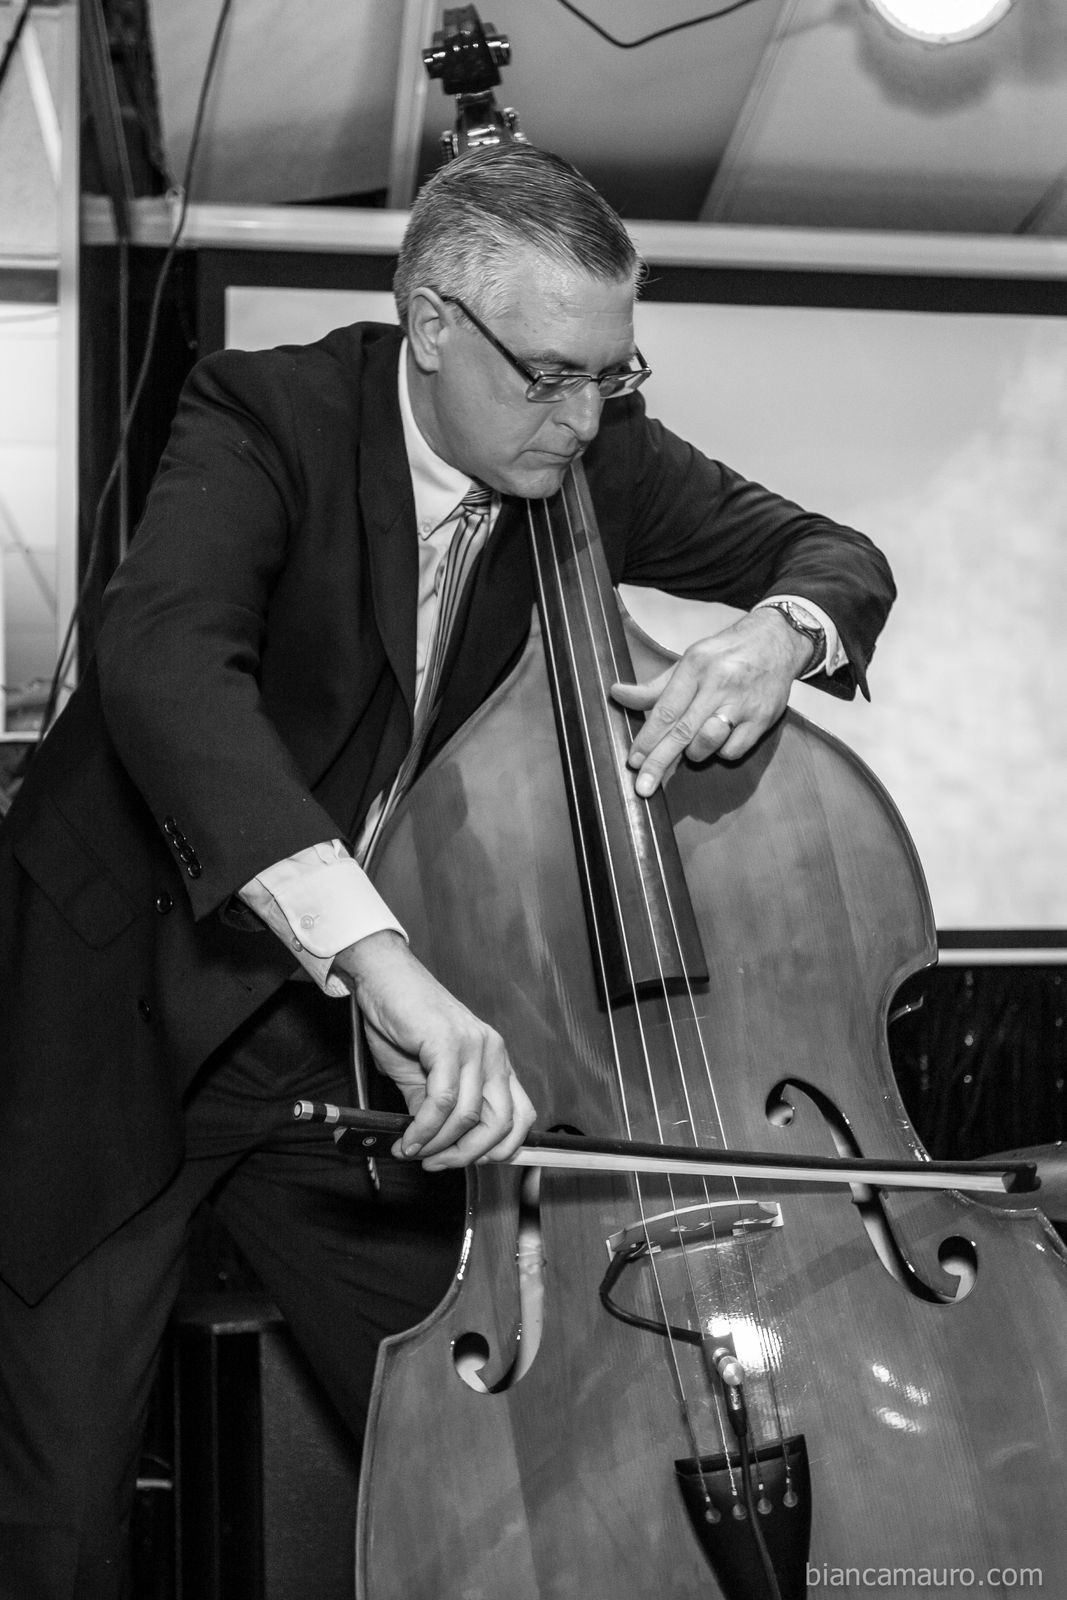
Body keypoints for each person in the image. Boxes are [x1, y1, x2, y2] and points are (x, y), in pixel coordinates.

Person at [0, 143, 895, 1599]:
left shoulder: (594, 456)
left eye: (612, 373)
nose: (583, 416)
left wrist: (777, 636)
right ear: (430, 323)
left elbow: (833, 551)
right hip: (120, 1017)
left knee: (505, 1444)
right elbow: (163, 665)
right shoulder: (269, 413)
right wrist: (380, 960)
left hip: (336, 1062)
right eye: (549, 375)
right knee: (59, 1514)